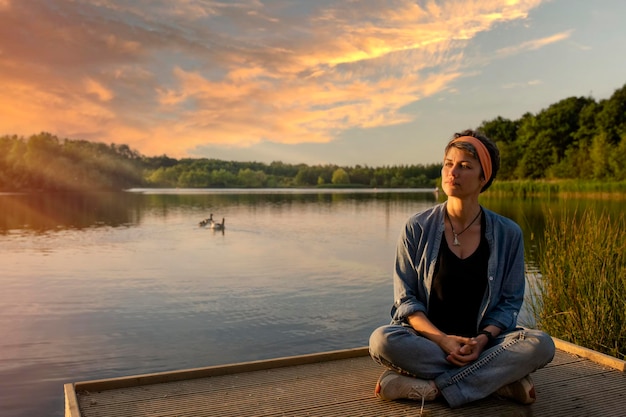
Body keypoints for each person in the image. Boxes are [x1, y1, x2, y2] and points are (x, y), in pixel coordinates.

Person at [368, 129, 555, 409]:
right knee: (382, 340)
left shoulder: (508, 234)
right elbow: (406, 302)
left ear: (484, 178)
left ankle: (432, 389)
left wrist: (481, 340)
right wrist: (443, 341)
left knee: (541, 344)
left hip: (485, 344)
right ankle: (498, 382)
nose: (452, 172)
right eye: (448, 163)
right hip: (429, 342)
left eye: (465, 166)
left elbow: (509, 303)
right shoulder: (417, 227)